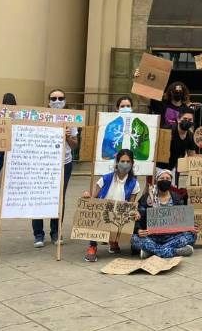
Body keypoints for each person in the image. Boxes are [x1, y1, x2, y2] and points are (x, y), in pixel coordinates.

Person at [31, 89, 79, 248]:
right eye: (54, 98)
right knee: (39, 196)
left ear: (65, 100)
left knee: (59, 198)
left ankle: (56, 231)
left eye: (60, 98)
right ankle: (38, 234)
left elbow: (74, 145)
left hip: (64, 163)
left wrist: (67, 136)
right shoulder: (41, 117)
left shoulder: (70, 118)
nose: (57, 101)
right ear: (49, 101)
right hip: (43, 164)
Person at [82, 149, 140, 261]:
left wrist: (135, 211)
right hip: (102, 211)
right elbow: (93, 198)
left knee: (128, 218)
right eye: (122, 161)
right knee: (94, 215)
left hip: (119, 213)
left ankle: (113, 240)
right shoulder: (105, 178)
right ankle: (92, 246)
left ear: (132, 163)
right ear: (117, 162)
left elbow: (131, 205)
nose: (125, 164)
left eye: (128, 161)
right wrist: (86, 195)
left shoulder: (134, 184)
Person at [132, 169, 196, 258]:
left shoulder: (177, 198)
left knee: (191, 235)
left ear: (171, 181)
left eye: (167, 179)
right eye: (162, 178)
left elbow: (184, 218)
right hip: (151, 237)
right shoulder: (147, 198)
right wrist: (138, 230)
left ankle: (151, 252)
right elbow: (138, 217)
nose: (165, 180)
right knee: (134, 239)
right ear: (157, 181)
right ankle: (175, 251)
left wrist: (191, 226)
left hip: (172, 236)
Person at [167, 107, 197, 176]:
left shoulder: (191, 136)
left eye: (190, 120)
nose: (187, 121)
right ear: (178, 119)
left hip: (176, 168)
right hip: (162, 167)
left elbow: (191, 156)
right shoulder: (168, 130)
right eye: (185, 119)